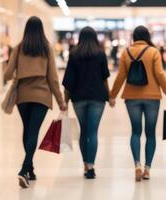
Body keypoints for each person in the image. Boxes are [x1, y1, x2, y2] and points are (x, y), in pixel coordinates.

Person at [4, 16, 67, 188]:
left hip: (22, 96)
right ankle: (25, 169)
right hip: (41, 96)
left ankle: (29, 169)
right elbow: (53, 78)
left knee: (28, 130)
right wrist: (61, 101)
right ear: (41, 30)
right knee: (33, 131)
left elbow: (7, 74)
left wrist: (17, 71)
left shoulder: (18, 48)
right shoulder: (46, 48)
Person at [110, 26, 166, 182]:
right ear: (147, 37)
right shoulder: (153, 52)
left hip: (132, 98)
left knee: (136, 131)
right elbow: (159, 74)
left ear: (134, 37)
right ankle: (147, 169)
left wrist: (112, 95)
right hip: (152, 98)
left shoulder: (126, 52)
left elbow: (120, 76)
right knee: (150, 133)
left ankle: (137, 165)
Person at [62, 26, 110, 179]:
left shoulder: (74, 54)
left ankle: (85, 164)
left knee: (84, 131)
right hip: (97, 97)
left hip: (79, 98)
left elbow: (69, 80)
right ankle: (91, 166)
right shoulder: (100, 54)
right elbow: (104, 78)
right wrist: (110, 96)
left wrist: (65, 101)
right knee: (93, 131)